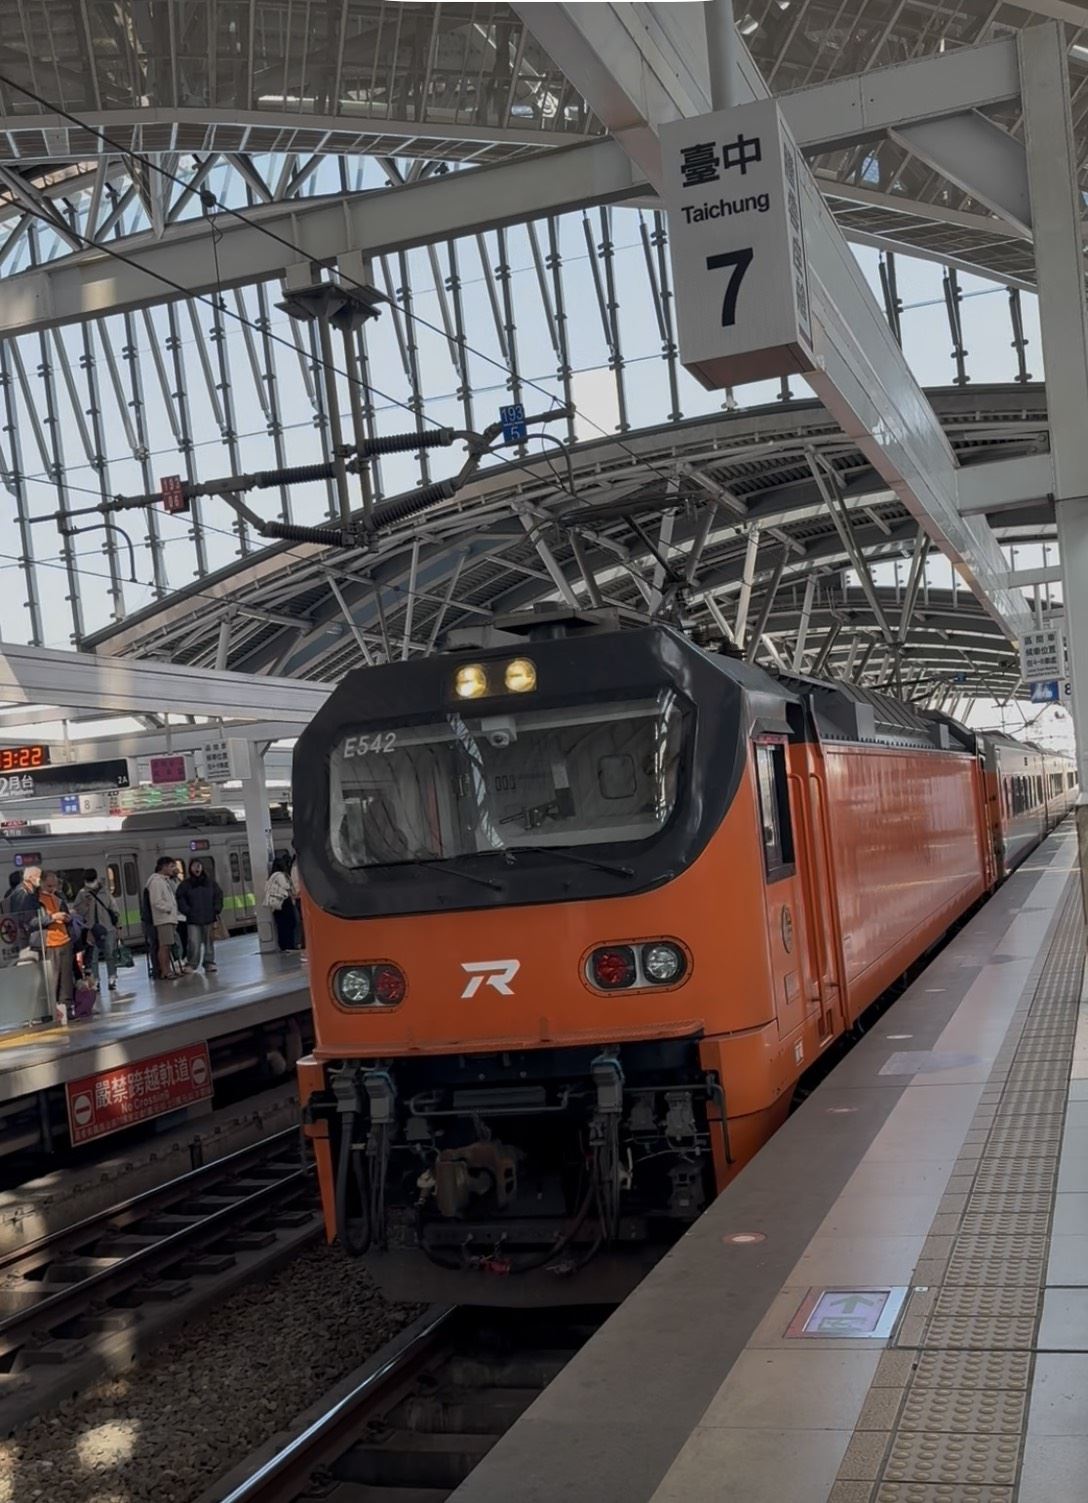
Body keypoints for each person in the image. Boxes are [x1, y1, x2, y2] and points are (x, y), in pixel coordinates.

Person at [32, 870, 74, 1018]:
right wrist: (52, 917)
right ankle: (50, 1012)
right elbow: (31, 922)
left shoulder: (59, 898)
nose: (52, 889)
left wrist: (68, 919)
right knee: (52, 981)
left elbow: (68, 917)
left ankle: (66, 1010)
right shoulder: (34, 900)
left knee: (66, 981)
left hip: (65, 941)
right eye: (49, 886)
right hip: (49, 944)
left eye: (54, 885)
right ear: (41, 883)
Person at [72, 869, 121, 995]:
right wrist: (86, 904)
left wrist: (118, 925)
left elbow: (113, 908)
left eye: (91, 880)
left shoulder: (105, 892)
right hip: (91, 929)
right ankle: (96, 980)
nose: (90, 883)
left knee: (110, 953)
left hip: (107, 927)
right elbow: (77, 911)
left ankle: (112, 978)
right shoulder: (82, 894)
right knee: (92, 957)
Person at [146, 856, 190, 981]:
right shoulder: (156, 882)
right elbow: (156, 901)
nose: (173, 869)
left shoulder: (163, 881)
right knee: (164, 946)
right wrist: (169, 908)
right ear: (163, 867)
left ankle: (168, 969)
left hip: (168, 918)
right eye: (171, 866)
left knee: (168, 946)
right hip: (163, 919)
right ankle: (165, 971)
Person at [176, 858, 223, 974]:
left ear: (202, 868)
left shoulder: (211, 883)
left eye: (199, 866)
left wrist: (216, 909)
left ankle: (209, 962)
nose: (196, 868)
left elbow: (218, 896)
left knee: (209, 942)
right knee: (193, 942)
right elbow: (180, 898)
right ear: (190, 868)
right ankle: (192, 963)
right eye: (194, 866)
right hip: (193, 919)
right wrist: (187, 911)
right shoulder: (185, 885)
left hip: (209, 917)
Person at [263, 856, 297, 952]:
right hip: (284, 902)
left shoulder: (271, 877)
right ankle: (289, 945)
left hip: (275, 905)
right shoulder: (280, 875)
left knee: (281, 925)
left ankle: (283, 945)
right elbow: (287, 887)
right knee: (289, 923)